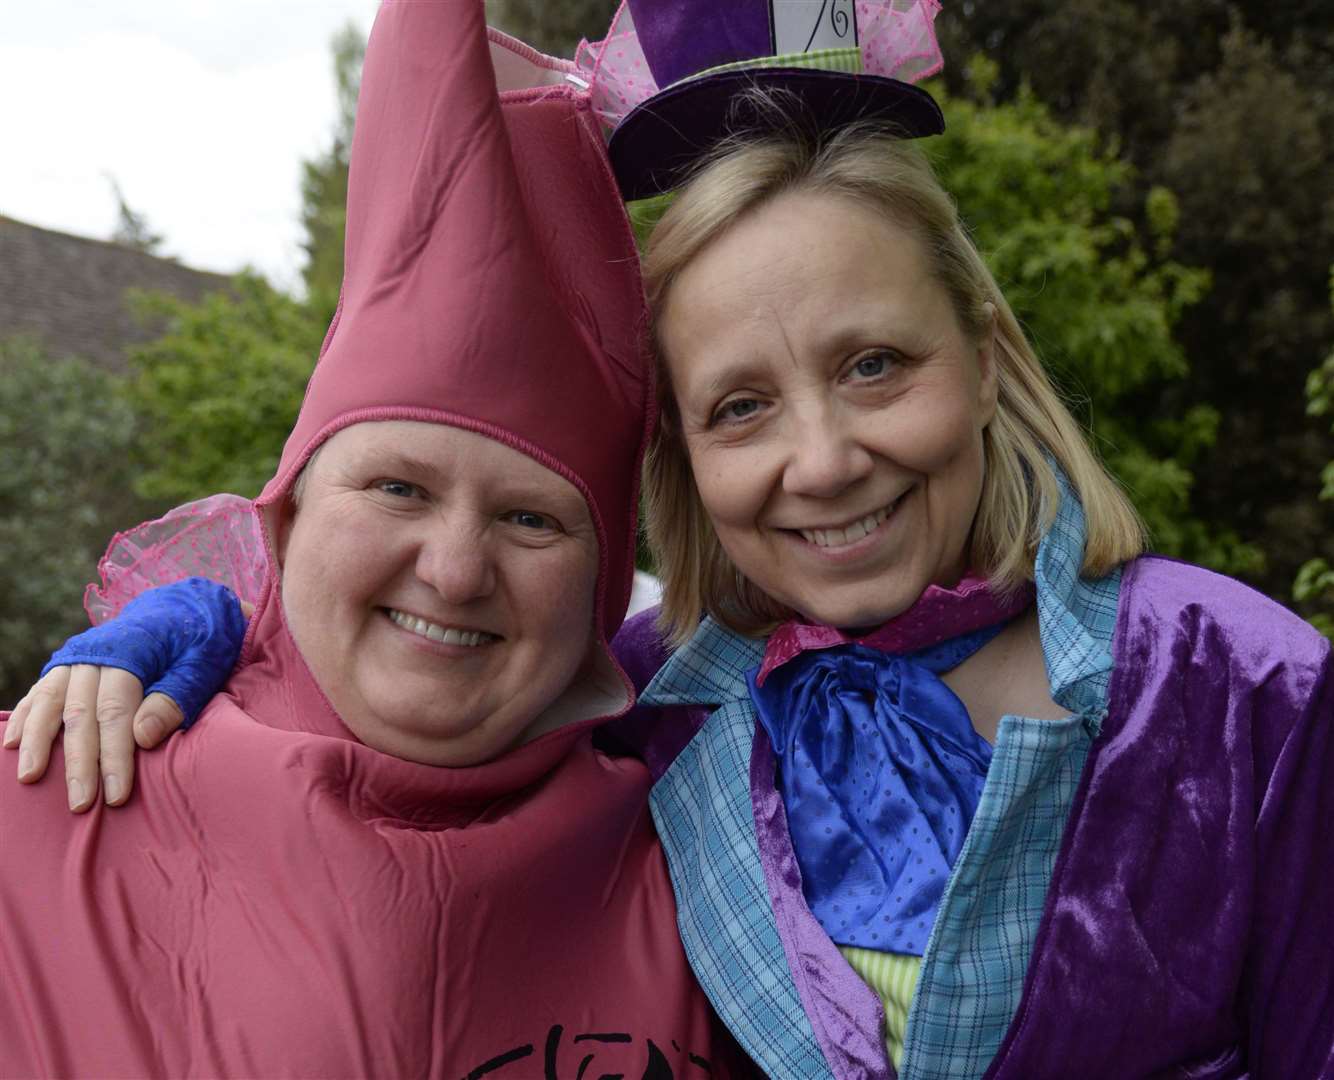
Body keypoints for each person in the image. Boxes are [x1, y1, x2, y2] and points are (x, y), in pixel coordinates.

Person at [10, 2, 1333, 1077]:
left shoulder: (1234, 681)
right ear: (685, 459)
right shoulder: (661, 708)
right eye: (740, 406)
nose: (820, 459)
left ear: (984, 362)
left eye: (874, 365)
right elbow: (411, 637)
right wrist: (180, 626)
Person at [0, 3, 750, 1076]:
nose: (451, 569)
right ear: (288, 512)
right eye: (397, 488)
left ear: (597, 588)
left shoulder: (717, 873)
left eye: (530, 518)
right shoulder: (42, 801)